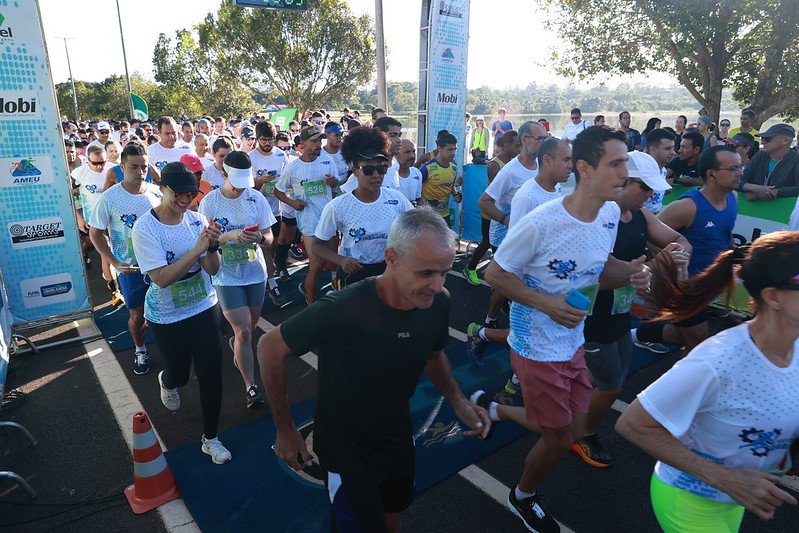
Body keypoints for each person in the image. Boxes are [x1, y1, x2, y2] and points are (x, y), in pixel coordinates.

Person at [258, 207, 491, 532]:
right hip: (346, 451)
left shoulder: (438, 302)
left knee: (393, 516)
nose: (437, 285)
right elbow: (269, 347)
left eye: (445, 271)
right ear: (391, 258)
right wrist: (285, 430)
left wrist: (458, 401)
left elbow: (433, 354)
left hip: (397, 438)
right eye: (425, 273)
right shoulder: (346, 308)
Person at [483, 126, 651, 532]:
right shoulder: (542, 222)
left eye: (625, 162)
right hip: (536, 347)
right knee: (559, 440)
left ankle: (497, 409)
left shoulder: (609, 213)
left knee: (574, 429)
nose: (624, 173)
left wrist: (630, 273)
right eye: (615, 163)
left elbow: (599, 267)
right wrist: (547, 304)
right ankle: (522, 495)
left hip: (572, 341)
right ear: (584, 168)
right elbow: (495, 273)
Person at [616, 231, 799, 532]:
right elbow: (632, 423)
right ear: (774, 296)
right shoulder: (718, 361)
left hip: (734, 500)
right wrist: (725, 478)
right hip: (689, 502)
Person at [572, 151, 689, 468]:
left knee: (617, 371)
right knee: (612, 384)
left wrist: (679, 256)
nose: (651, 196)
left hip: (620, 312)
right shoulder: (596, 216)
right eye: (645, 188)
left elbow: (677, 240)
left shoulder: (639, 213)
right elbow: (600, 278)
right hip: (591, 314)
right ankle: (582, 433)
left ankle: (574, 399)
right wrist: (657, 265)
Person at [131, 161, 231, 465]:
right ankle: (169, 381)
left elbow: (213, 270)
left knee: (212, 371)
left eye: (191, 194)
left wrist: (211, 247)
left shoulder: (197, 220)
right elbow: (161, 278)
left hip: (203, 303)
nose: (185, 200)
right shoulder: (145, 227)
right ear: (163, 189)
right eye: (179, 194)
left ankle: (211, 438)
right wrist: (196, 249)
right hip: (166, 313)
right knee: (181, 373)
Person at [635, 145, 741, 356]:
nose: (740, 174)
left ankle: (640, 333)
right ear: (711, 173)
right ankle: (678, 387)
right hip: (686, 288)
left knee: (692, 336)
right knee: (699, 346)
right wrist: (670, 269)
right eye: (734, 169)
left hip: (711, 282)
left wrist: (734, 256)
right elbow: (649, 235)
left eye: (741, 168)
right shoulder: (687, 207)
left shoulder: (733, 198)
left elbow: (725, 234)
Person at [198, 151, 276, 408]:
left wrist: (260, 240)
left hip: (254, 271)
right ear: (223, 175)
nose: (243, 189)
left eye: (246, 183)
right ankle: (250, 387)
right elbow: (205, 241)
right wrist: (228, 237)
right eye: (237, 183)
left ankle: (236, 345)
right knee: (243, 331)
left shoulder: (256, 198)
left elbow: (269, 236)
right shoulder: (210, 202)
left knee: (249, 329)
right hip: (226, 273)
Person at [89, 144, 163, 375]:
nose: (140, 172)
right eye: (134, 167)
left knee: (165, 309)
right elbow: (95, 233)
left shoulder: (156, 192)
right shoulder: (109, 198)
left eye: (144, 167)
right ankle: (140, 349)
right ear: (122, 167)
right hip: (130, 269)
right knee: (137, 315)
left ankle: (169, 347)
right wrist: (113, 261)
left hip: (160, 264)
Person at [312, 127, 414, 288]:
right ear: (355, 171)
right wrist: (341, 260)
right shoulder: (338, 205)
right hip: (352, 274)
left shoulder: (397, 199)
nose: (376, 175)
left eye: (381, 169)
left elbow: (417, 225)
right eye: (368, 170)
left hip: (386, 269)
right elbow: (316, 245)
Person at [477, 122, 547, 327]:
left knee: (521, 279)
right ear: (525, 141)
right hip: (504, 236)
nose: (544, 143)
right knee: (506, 281)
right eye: (540, 139)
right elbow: (484, 201)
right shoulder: (509, 171)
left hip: (530, 236)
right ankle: (490, 321)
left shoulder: (541, 166)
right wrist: (507, 220)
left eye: (546, 138)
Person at [274, 127, 338, 304]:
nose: (319, 145)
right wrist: (293, 203)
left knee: (331, 264)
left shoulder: (327, 161)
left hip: (328, 218)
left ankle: (313, 288)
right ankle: (310, 303)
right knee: (316, 264)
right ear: (302, 144)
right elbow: (278, 191)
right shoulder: (293, 167)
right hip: (308, 220)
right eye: (315, 141)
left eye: (320, 141)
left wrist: (334, 183)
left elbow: (336, 187)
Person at [462, 131, 520, 286]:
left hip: (506, 211)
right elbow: (500, 194)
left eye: (520, 146)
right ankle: (471, 267)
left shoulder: (514, 162)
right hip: (492, 211)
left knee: (500, 244)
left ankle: (498, 279)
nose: (519, 149)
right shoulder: (495, 165)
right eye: (516, 146)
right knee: (488, 242)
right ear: (506, 145)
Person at [73, 145, 120, 304]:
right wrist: (79, 218)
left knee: (114, 251)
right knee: (105, 250)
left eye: (103, 162)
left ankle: (117, 284)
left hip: (113, 218)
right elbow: (67, 197)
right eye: (96, 163)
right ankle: (114, 289)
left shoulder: (113, 169)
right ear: (88, 160)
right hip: (93, 221)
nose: (100, 167)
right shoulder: (79, 173)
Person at [739, 124, 799, 200]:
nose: (763, 142)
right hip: (752, 210)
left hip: (782, 210)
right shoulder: (760, 155)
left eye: (767, 139)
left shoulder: (796, 160)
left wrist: (774, 192)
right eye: (762, 138)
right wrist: (754, 188)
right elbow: (738, 180)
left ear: (785, 140)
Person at [420, 131, 461, 227]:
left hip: (445, 216)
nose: (453, 153)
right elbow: (415, 190)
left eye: (455, 149)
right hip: (428, 217)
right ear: (440, 149)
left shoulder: (454, 167)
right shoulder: (427, 167)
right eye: (449, 150)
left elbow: (450, 187)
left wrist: (455, 194)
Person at [642, 128, 677, 214]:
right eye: (668, 148)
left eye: (673, 148)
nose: (673, 152)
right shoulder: (641, 173)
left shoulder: (663, 171)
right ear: (653, 149)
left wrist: (664, 190)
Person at [396, 138, 422, 205]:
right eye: (407, 152)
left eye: (413, 151)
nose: (412, 156)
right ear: (396, 154)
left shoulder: (417, 173)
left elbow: (418, 199)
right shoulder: (389, 175)